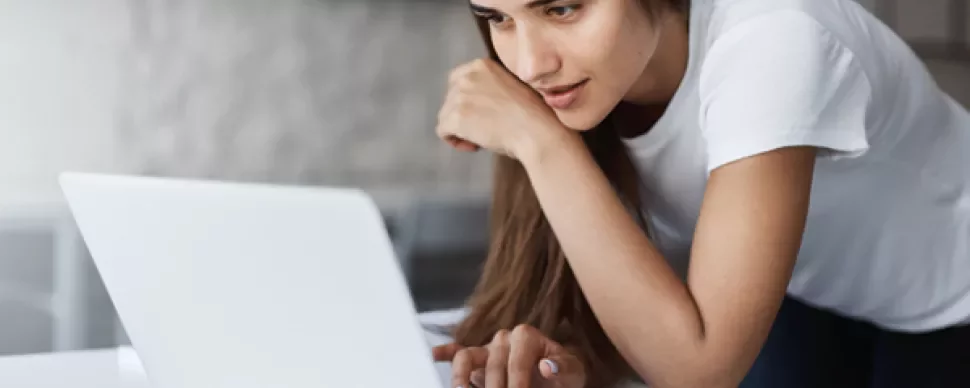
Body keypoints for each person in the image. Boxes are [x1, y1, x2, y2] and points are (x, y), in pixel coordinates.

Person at [429, 0, 970, 386]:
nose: (528, 66)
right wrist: (566, 365)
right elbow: (635, 305)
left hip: (952, 298)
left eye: (563, 9)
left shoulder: (774, 37)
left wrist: (540, 141)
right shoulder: (596, 81)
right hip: (813, 288)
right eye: (498, 18)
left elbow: (699, 370)